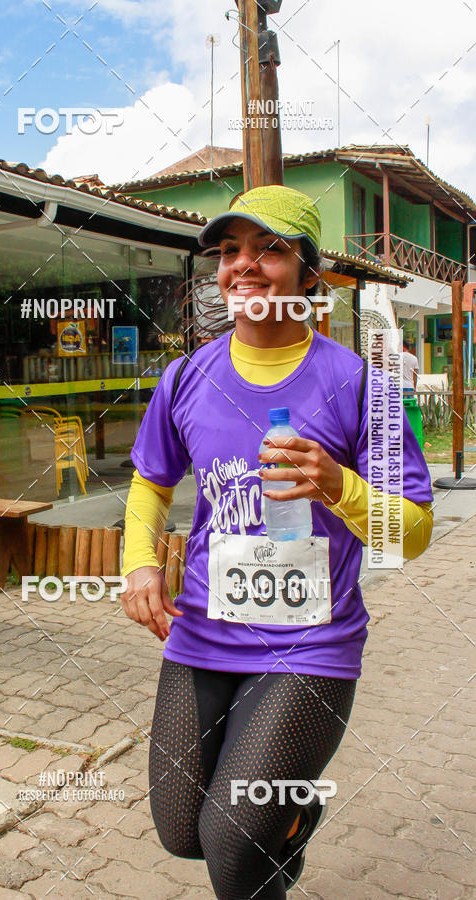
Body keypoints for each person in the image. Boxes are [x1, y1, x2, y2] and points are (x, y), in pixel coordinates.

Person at [120, 185, 434, 898]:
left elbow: (411, 531)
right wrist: (139, 564)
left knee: (230, 837)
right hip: (202, 631)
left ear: (308, 273)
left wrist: (337, 485)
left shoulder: (359, 386)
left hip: (309, 645)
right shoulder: (186, 379)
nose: (245, 266)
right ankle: (293, 816)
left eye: (270, 249)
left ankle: (271, 829)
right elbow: (149, 482)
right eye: (230, 251)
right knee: (179, 831)